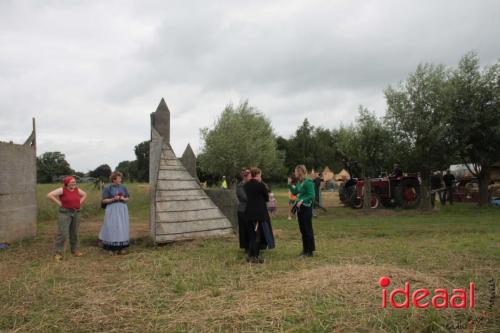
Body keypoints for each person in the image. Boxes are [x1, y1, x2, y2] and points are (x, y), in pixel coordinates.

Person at [47, 176, 87, 261]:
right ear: (67, 183)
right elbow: (49, 195)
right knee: (63, 233)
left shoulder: (77, 189)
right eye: (71, 182)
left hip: (76, 213)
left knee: (74, 232)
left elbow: (84, 194)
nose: (74, 183)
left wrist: (79, 202)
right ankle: (58, 253)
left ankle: (74, 250)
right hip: (65, 213)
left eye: (74, 182)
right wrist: (59, 203)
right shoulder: (62, 190)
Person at [99, 171, 130, 255]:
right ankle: (111, 248)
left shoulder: (123, 187)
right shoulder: (108, 188)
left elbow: (128, 198)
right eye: (119, 178)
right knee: (112, 226)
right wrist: (113, 199)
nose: (120, 179)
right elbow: (104, 200)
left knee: (122, 227)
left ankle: (122, 247)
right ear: (114, 179)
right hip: (112, 209)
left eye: (120, 178)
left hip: (122, 209)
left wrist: (123, 198)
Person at [288, 165, 316, 257]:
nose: (294, 173)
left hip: (306, 208)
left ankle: (310, 251)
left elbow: (312, 195)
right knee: (303, 229)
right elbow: (295, 192)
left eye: (295, 171)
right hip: (300, 208)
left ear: (300, 172)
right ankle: (305, 249)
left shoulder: (308, 182)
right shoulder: (300, 182)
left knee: (307, 229)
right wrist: (289, 185)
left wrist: (302, 200)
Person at [244, 167, 270, 263]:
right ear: (258, 174)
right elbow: (267, 198)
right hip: (258, 214)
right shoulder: (261, 185)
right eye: (260, 174)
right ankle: (255, 256)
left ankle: (250, 255)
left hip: (248, 213)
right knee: (257, 235)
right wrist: (261, 182)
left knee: (251, 235)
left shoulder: (246, 185)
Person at [236, 168, 251, 252]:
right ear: (245, 177)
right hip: (242, 210)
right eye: (249, 176)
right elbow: (245, 197)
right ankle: (246, 247)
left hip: (248, 210)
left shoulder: (248, 185)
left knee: (249, 229)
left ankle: (250, 245)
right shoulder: (240, 186)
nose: (251, 178)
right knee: (244, 229)